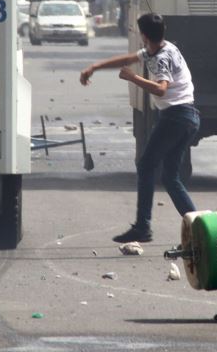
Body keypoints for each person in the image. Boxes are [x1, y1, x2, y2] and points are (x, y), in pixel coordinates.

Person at [79, 13, 199, 243]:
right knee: (170, 177)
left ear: (143, 35)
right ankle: (198, 225)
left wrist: (133, 78)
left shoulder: (162, 57)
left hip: (175, 116)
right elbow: (128, 58)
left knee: (146, 165)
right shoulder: (159, 48)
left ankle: (143, 227)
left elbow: (162, 89)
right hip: (188, 117)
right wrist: (95, 66)